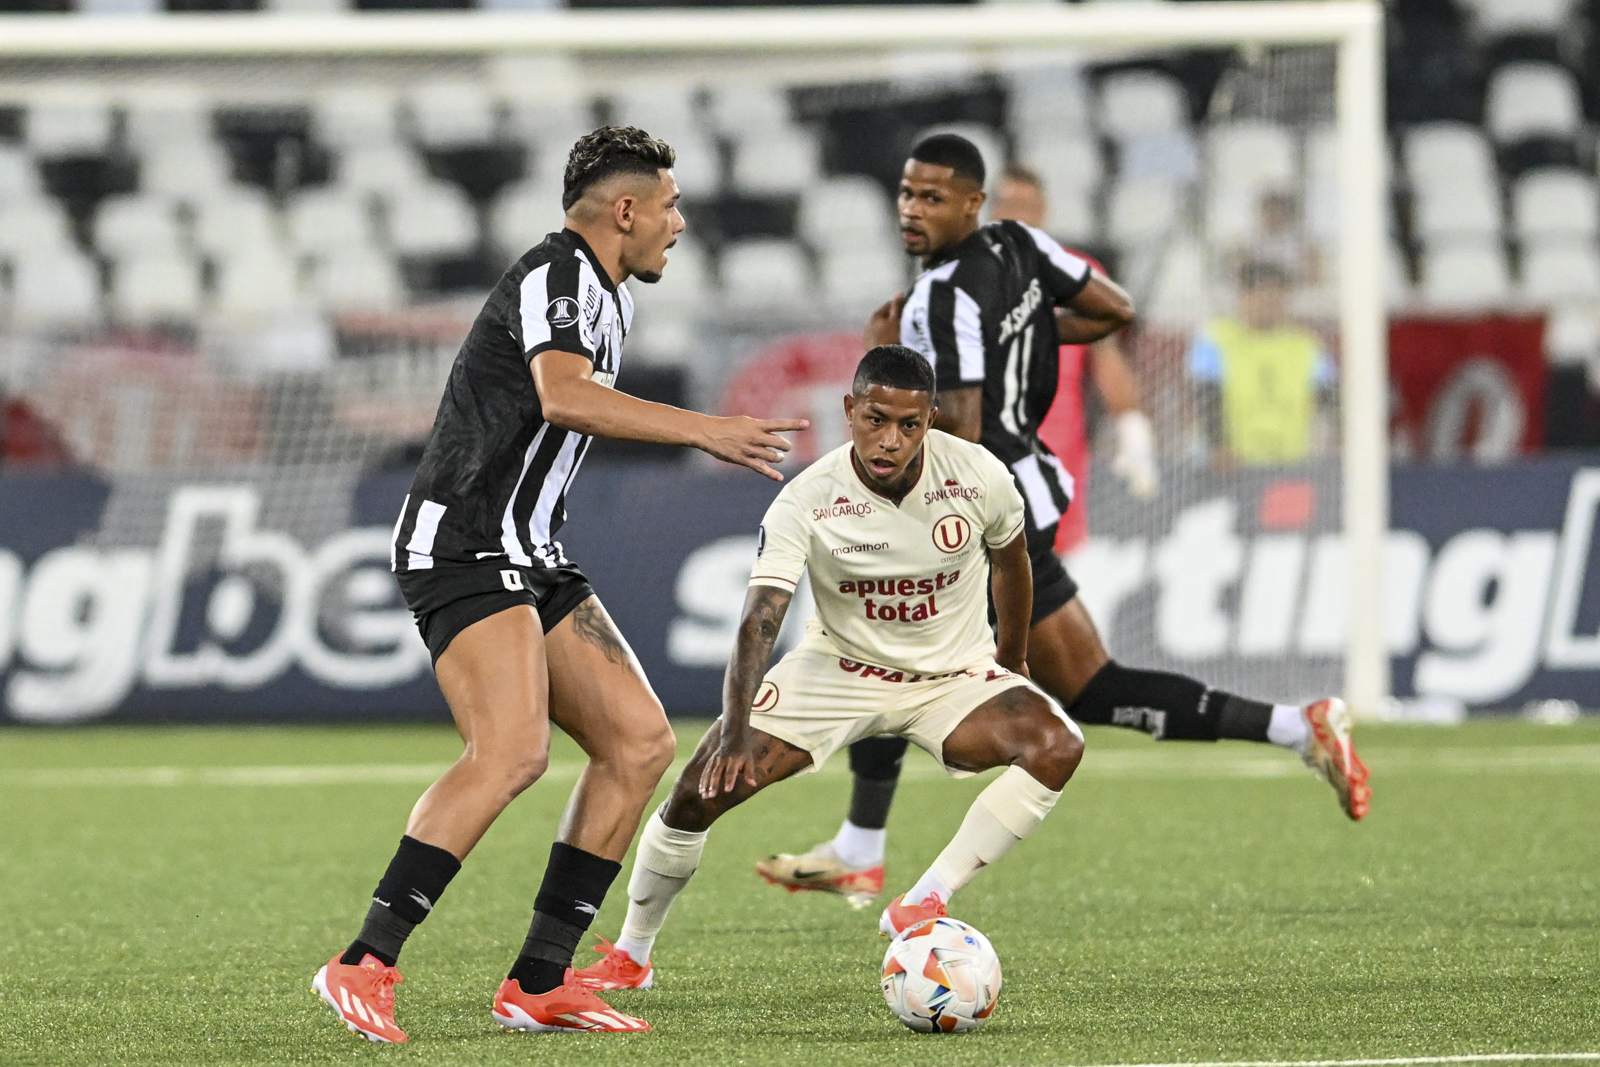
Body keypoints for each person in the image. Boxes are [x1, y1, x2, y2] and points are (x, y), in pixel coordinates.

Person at [752, 134, 1369, 908]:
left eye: (931, 197)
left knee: (882, 649)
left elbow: (959, 431)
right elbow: (1115, 309)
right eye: (906, 194)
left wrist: (886, 350)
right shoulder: (1026, 248)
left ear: (972, 205)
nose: (911, 210)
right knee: (1088, 682)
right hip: (1030, 498)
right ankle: (1299, 725)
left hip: (975, 519)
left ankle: (867, 854)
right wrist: (1030, 331)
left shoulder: (937, 299)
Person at [311, 126, 807, 1041]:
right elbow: (564, 395)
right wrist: (704, 428)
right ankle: (364, 959)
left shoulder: (608, 294)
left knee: (639, 743)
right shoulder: (560, 275)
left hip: (530, 551)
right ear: (625, 209)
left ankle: (539, 979)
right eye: (669, 206)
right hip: (464, 543)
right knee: (510, 751)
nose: (679, 223)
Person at [571, 345, 1085, 992]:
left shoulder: (979, 475)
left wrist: (1011, 660)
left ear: (930, 420)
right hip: (839, 669)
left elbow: (1012, 562)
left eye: (908, 425)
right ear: (849, 411)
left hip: (953, 674)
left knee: (1057, 744)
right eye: (875, 419)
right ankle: (631, 953)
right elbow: (761, 619)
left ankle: (926, 898)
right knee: (697, 793)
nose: (889, 440)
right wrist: (736, 728)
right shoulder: (808, 499)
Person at [989, 163, 1156, 554]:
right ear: (992, 211)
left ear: (1043, 211)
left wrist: (1131, 425)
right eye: (1009, 205)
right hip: (986, 447)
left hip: (1057, 447)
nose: (1017, 216)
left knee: (1051, 566)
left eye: (1027, 206)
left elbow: (1106, 354)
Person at [1190, 260, 1335, 468]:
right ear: (1243, 296)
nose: (1268, 303)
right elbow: (1207, 396)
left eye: (1276, 295)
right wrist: (1218, 445)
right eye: (1261, 294)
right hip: (1231, 466)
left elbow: (1330, 398)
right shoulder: (1216, 339)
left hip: (1292, 462)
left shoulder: (1306, 345)